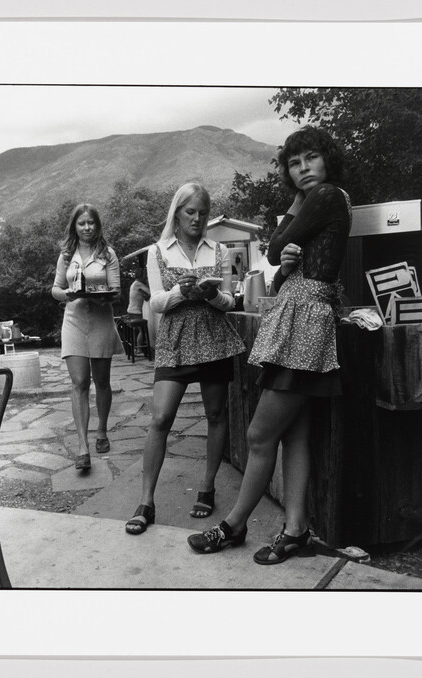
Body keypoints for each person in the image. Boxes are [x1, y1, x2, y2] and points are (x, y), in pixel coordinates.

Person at [187, 125, 352, 563]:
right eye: (294, 164)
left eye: (310, 159)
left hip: (303, 325)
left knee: (260, 434)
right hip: (300, 319)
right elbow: (284, 271)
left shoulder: (326, 196)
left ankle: (234, 524)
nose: (303, 169)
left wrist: (291, 223)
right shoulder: (325, 202)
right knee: (294, 434)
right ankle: (296, 530)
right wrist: (286, 263)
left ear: (327, 159)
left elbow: (275, 247)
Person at [125, 183, 246, 535]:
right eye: (190, 212)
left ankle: (207, 487)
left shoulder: (218, 250)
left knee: (215, 414)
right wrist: (183, 291)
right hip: (175, 340)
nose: (197, 219)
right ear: (177, 213)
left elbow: (229, 302)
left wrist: (211, 296)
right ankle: (146, 502)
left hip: (213, 337)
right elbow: (157, 302)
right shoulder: (158, 251)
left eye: (202, 213)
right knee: (161, 417)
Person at [51, 204, 124, 471]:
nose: (86, 228)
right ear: (75, 226)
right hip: (73, 320)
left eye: (91, 223)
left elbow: (116, 293)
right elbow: (56, 289)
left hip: (101, 320)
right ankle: (82, 447)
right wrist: (68, 294)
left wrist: (102, 294)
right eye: (81, 224)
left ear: (97, 225)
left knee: (101, 381)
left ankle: (102, 431)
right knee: (79, 382)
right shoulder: (66, 255)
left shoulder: (108, 254)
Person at [123, 266, 151, 355]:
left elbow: (144, 297)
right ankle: (139, 349)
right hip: (136, 312)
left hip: (130, 311)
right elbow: (150, 292)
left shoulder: (134, 284)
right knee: (142, 331)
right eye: (145, 276)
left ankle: (136, 348)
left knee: (137, 330)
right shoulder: (139, 284)